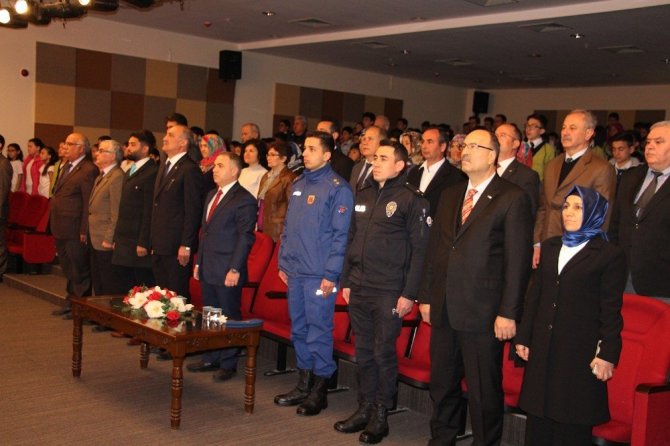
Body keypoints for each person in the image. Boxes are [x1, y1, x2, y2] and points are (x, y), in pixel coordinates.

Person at [418, 129, 533, 446]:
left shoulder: (512, 197)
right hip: (444, 305)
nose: (464, 151)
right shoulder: (451, 194)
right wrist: (426, 296)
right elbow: (436, 249)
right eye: (463, 145)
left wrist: (508, 312)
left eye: (473, 146)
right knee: (442, 383)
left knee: (483, 389)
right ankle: (442, 439)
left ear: (492, 155)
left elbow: (518, 262)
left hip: (483, 312)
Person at [515, 186, 625, 445]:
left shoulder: (608, 255)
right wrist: (524, 337)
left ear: (595, 213)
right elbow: (535, 297)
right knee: (538, 422)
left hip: (578, 351)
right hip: (544, 346)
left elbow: (611, 310)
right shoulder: (551, 246)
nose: (569, 212)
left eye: (578, 207)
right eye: (566, 206)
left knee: (571, 422)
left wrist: (608, 353)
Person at [337, 141, 430, 444]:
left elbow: (420, 251)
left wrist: (410, 293)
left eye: (384, 158)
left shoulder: (411, 199)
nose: (376, 162)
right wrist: (347, 281)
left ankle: (381, 412)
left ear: (400, 165)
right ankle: (364, 406)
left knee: (382, 353)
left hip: (389, 289)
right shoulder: (363, 194)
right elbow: (351, 239)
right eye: (375, 158)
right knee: (363, 352)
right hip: (360, 285)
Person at [275, 131, 353, 417]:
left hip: (319, 274)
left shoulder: (337, 189)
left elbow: (341, 236)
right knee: (299, 328)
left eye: (311, 149)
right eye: (304, 149)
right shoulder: (299, 183)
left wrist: (331, 274)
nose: (305, 154)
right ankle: (303, 382)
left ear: (327, 155)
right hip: (296, 270)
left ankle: (320, 388)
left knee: (318, 330)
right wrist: (284, 262)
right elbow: (288, 228)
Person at [187, 152, 257, 382]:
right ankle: (211, 356)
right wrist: (199, 262)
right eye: (214, 166)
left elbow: (245, 237)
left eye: (220, 166)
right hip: (209, 265)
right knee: (211, 314)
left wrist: (235, 269)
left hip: (228, 268)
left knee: (229, 315)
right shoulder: (211, 195)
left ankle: (228, 362)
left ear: (234, 171)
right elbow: (205, 234)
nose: (214, 170)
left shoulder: (244, 199)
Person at [533, 110, 616, 268]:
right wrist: (537, 242)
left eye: (572, 128)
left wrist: (589, 253)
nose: (565, 132)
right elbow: (543, 206)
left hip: (578, 249)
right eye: (564, 128)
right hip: (547, 244)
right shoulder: (552, 165)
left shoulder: (601, 168)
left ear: (588, 133)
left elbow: (602, 216)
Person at [609, 120, 670, 302]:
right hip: (622, 275)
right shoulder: (631, 176)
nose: (650, 146)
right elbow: (615, 224)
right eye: (648, 142)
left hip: (661, 282)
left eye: (658, 142)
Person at [150, 125, 203, 299]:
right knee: (161, 295)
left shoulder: (189, 169)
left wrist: (186, 244)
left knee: (176, 295)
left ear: (183, 143)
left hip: (176, 245)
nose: (164, 138)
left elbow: (193, 210)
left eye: (170, 135)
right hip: (160, 243)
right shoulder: (164, 166)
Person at [50, 133, 99, 318]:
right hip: (61, 226)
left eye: (70, 144)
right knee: (68, 267)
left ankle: (80, 308)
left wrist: (83, 229)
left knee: (79, 269)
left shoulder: (88, 170)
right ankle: (71, 302)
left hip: (75, 228)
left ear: (81, 148)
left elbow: (88, 203)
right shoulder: (67, 166)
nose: (65, 147)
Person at [112, 131, 158, 293]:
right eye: (129, 144)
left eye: (133, 145)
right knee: (123, 284)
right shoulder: (130, 170)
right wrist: (116, 237)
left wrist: (144, 241)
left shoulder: (152, 172)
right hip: (124, 238)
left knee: (140, 286)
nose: (128, 148)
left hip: (137, 239)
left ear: (145, 149)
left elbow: (148, 209)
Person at [87, 139, 125, 295]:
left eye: (102, 151)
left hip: (104, 237)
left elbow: (116, 211)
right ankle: (98, 309)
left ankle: (105, 309)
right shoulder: (101, 176)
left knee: (107, 281)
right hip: (94, 235)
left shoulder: (117, 176)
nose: (97, 153)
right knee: (97, 280)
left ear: (113, 156)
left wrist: (109, 238)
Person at [407, 126, 467, 217]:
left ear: (442, 146)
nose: (424, 146)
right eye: (422, 142)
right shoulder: (413, 172)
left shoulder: (456, 176)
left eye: (430, 142)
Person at [495, 123, 541, 217]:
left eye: (502, 135)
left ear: (515, 143)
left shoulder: (527, 176)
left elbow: (527, 213)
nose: (496, 139)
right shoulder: (484, 169)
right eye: (495, 135)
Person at [257, 140, 297, 242]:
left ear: (283, 158)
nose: (268, 158)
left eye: (273, 155)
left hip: (277, 230)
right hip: (262, 224)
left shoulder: (289, 178)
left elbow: (292, 207)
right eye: (268, 155)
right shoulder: (265, 176)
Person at [350, 126, 386, 194]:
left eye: (370, 139)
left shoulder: (385, 169)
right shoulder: (356, 167)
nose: (364, 143)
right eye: (363, 139)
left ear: (381, 143)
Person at [0, 149, 11, 282]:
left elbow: (2, 190)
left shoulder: (3, 163)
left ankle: (0, 271)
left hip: (0, 211)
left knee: (0, 243)